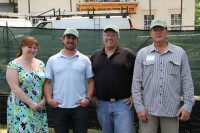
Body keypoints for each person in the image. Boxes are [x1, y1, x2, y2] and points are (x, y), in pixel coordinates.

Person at [132, 18, 195, 133]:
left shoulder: (180, 53)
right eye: (155, 30)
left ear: (167, 31)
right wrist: (139, 107)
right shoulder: (142, 54)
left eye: (161, 29)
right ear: (151, 33)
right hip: (148, 110)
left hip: (171, 109)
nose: (158, 32)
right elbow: (136, 82)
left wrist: (187, 105)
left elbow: (187, 81)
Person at [43, 28, 94, 133]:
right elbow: (47, 82)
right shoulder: (52, 60)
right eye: (68, 38)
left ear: (77, 41)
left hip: (79, 106)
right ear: (63, 39)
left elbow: (91, 81)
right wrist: (49, 100)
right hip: (59, 106)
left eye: (73, 38)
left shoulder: (84, 59)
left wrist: (88, 99)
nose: (70, 40)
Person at [90, 24, 136, 133]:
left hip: (123, 105)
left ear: (117, 37)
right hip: (102, 105)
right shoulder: (95, 56)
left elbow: (139, 77)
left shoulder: (128, 54)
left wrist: (134, 96)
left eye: (113, 35)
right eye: (107, 35)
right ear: (103, 37)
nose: (109, 38)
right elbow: (91, 79)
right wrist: (93, 96)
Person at [6, 36, 48, 132]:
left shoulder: (41, 64)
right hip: (21, 105)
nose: (32, 50)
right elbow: (15, 88)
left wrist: (44, 100)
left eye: (35, 48)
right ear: (22, 47)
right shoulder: (13, 65)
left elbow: (46, 84)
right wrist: (31, 103)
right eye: (29, 47)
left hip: (38, 105)